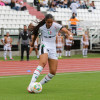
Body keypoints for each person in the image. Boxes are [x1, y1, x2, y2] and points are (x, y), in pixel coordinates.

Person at [27, 14, 73, 92]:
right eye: (48, 22)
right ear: (45, 21)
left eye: (51, 22)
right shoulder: (41, 27)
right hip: (44, 45)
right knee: (43, 63)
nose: (50, 24)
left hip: (53, 48)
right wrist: (32, 43)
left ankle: (39, 85)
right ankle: (31, 85)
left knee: (53, 72)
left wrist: (70, 34)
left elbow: (65, 30)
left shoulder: (55, 25)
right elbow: (35, 35)